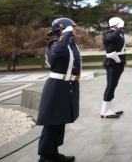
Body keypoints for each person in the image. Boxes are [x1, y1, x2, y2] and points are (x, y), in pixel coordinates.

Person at [36, 18, 81, 162]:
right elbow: (58, 53)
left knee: (60, 120)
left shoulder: (70, 43)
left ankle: (53, 152)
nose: (75, 29)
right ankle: (45, 155)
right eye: (72, 27)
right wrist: (65, 35)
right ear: (63, 30)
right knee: (52, 121)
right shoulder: (55, 43)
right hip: (57, 85)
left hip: (68, 85)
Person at [100, 17, 126, 119]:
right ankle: (105, 111)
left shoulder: (118, 33)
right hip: (112, 62)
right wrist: (119, 27)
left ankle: (110, 107)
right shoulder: (108, 33)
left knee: (113, 86)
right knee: (110, 86)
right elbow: (111, 38)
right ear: (115, 25)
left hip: (118, 62)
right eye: (119, 25)